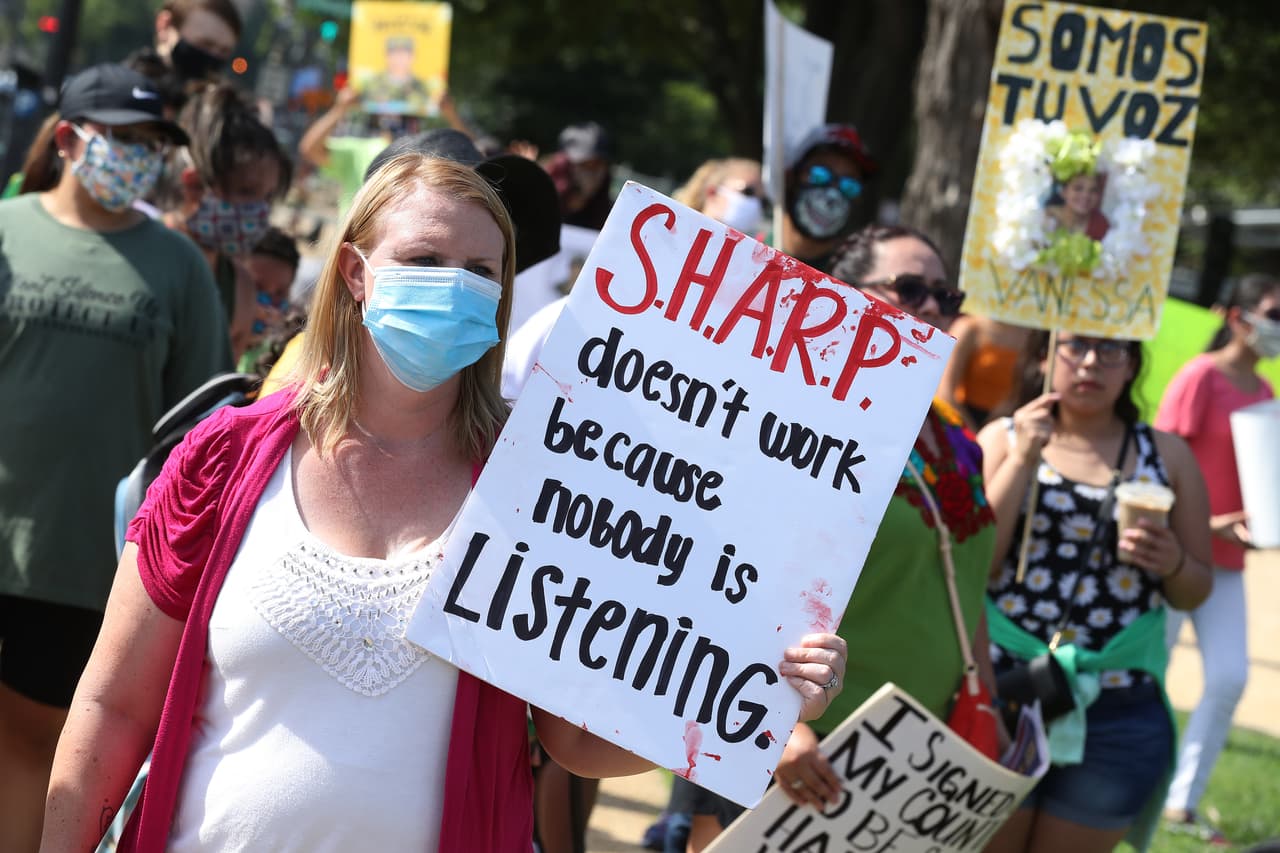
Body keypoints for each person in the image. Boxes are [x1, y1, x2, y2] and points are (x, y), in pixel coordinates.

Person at [38, 153, 848, 852]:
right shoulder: (224, 458)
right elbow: (111, 707)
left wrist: (751, 696)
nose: (453, 289)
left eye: (479, 273)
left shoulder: (539, 487)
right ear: (356, 273)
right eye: (424, 258)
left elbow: (569, 738)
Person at [668, 224, 989, 852]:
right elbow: (722, 580)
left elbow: (965, 582)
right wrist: (778, 731)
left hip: (908, 755)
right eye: (909, 289)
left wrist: (986, 701)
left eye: (943, 296)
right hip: (807, 743)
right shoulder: (795, 420)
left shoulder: (955, 434)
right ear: (844, 296)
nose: (929, 307)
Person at [0, 63, 229, 852]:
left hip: (89, 568)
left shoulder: (179, 267)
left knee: (37, 752)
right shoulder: (7, 230)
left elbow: (202, 436)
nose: (135, 156)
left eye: (149, 144)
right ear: (67, 138)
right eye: (119, 139)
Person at [980, 331, 1213, 853]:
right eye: (1075, 346)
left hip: (1118, 708)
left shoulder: (1167, 456)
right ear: (1045, 355)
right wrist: (1022, 458)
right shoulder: (1002, 438)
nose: (1091, 362)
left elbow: (1195, 591)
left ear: (1131, 366)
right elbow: (973, 565)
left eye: (1111, 351)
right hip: (1004, 694)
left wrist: (1173, 561)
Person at [1156, 273, 1280, 843]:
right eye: (1272, 313)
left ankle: (1181, 805)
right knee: (1145, 680)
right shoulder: (1199, 378)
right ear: (1238, 316)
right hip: (1172, 558)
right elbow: (1152, 476)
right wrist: (1207, 526)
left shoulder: (1265, 396)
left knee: (1229, 676)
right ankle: (1143, 788)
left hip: (1228, 563)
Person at [158, 81, 292, 357]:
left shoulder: (240, 288)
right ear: (195, 185)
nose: (259, 210)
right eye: (246, 191)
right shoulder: (145, 259)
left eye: (267, 198)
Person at [779, 123, 876, 272]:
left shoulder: (854, 280)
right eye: (820, 175)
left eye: (849, 185)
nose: (832, 194)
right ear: (791, 177)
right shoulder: (747, 246)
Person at [124, 0, 243, 115]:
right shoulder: (126, 93)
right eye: (205, 44)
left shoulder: (224, 113)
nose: (213, 57)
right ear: (164, 26)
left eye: (224, 51)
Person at [939, 314, 1034, 430]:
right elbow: (945, 392)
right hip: (963, 420)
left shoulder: (1034, 336)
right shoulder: (970, 327)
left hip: (1009, 427)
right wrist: (972, 436)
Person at [672, 157, 768, 237]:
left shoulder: (750, 257)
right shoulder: (673, 233)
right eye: (748, 192)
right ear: (712, 193)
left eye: (763, 201)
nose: (755, 203)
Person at [544, 121, 613, 230]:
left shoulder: (607, 217)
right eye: (585, 165)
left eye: (598, 165)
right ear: (565, 164)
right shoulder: (539, 202)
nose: (593, 173)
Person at [1044, 171, 1109, 241]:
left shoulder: (1101, 225)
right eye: (1078, 188)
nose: (1086, 195)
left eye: (1093, 190)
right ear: (1063, 192)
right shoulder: (1044, 217)